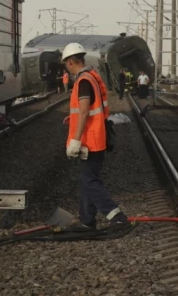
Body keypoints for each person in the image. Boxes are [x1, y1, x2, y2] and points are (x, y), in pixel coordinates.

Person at [61, 42, 128, 231]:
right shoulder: (92, 76)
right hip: (97, 137)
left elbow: (83, 112)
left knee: (90, 181)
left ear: (70, 61)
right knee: (87, 179)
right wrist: (72, 117)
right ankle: (87, 221)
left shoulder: (83, 81)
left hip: (89, 141)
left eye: (66, 63)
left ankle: (116, 216)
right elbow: (86, 110)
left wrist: (75, 140)